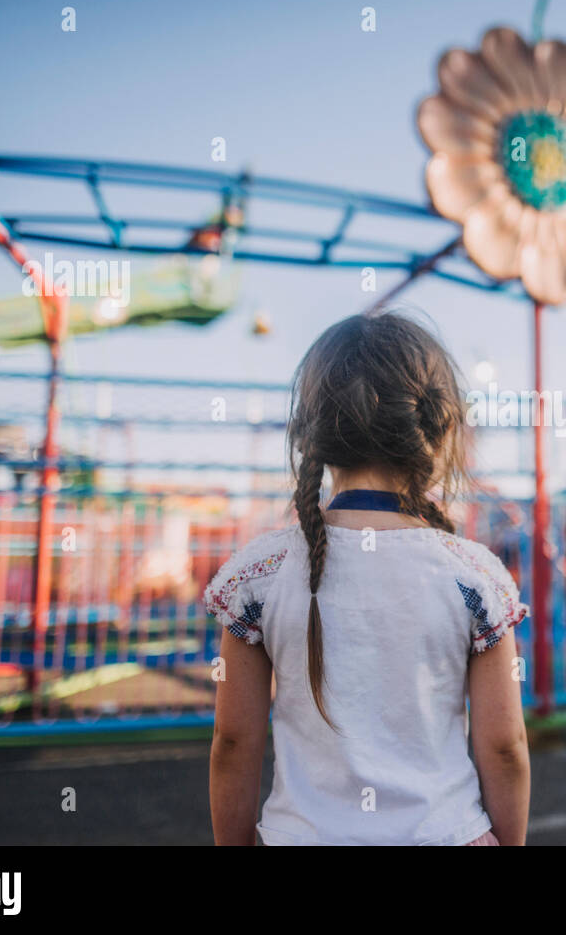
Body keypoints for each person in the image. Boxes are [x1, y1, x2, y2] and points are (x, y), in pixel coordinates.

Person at [207, 312, 530, 845]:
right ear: (438, 425)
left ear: (312, 430)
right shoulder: (476, 578)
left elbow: (233, 742)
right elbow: (505, 746)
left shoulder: (257, 577)